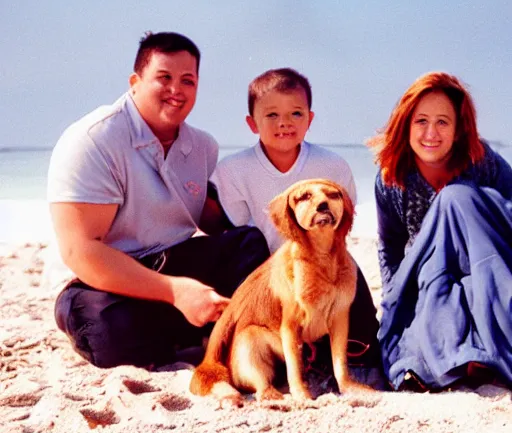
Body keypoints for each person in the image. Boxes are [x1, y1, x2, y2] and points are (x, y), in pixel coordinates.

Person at [47, 32, 270, 369]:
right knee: (108, 330)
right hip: (108, 280)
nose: (176, 90)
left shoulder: (202, 146)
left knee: (249, 244)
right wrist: (176, 292)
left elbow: (213, 218)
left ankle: (207, 335)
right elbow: (81, 251)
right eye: (163, 78)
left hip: (174, 259)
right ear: (135, 82)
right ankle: (189, 334)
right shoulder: (94, 139)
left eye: (188, 81)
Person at [210, 67, 383, 380]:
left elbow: (341, 226)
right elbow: (239, 234)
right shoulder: (232, 170)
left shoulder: (332, 165)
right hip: (267, 271)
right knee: (245, 245)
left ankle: (338, 353)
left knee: (359, 309)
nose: (284, 123)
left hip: (320, 260)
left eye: (295, 113)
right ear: (252, 123)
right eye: (272, 115)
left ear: (310, 119)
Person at [367, 71, 512, 391]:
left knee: (455, 198)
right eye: (421, 121)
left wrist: (462, 211)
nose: (431, 132)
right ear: (406, 124)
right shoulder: (392, 178)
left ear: (459, 129)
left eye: (443, 122)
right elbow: (390, 245)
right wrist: (392, 298)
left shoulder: (482, 161)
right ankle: (465, 361)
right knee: (426, 319)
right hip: (434, 277)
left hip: (484, 264)